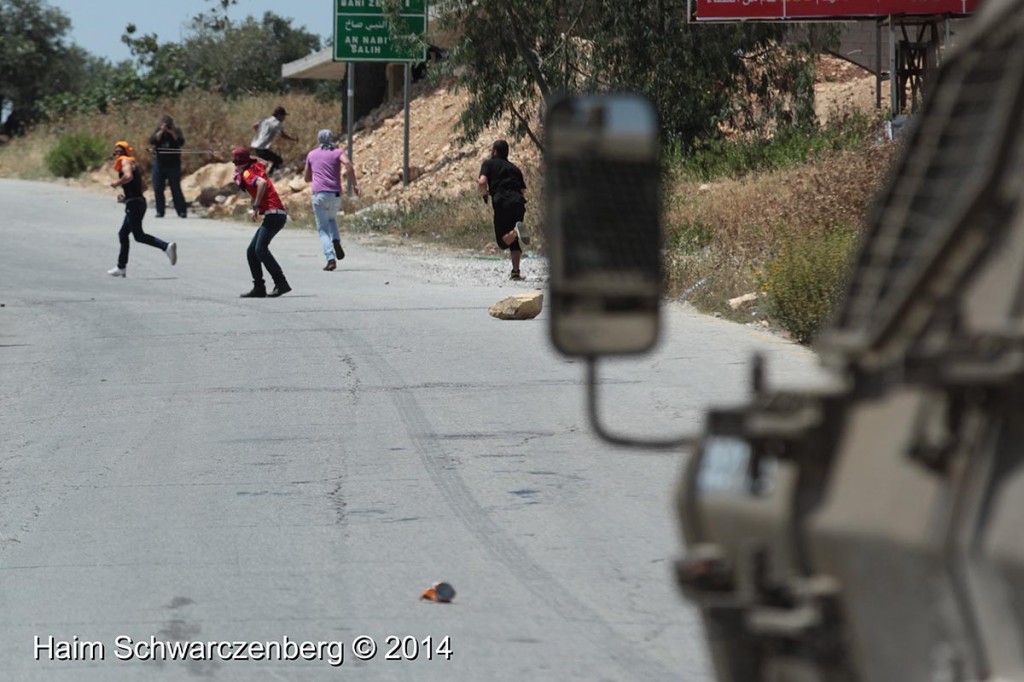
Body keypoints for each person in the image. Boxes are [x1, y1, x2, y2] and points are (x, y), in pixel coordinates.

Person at [107, 140, 177, 277]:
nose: (117, 152)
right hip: (136, 203)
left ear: (124, 151)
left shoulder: (125, 162)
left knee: (138, 236)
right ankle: (121, 267)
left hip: (134, 205)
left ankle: (166, 246)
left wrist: (117, 183)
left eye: (119, 149)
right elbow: (143, 187)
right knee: (123, 234)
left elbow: (128, 176)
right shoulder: (133, 164)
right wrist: (127, 198)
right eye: (116, 149)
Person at [233, 147, 291, 298]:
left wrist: (256, 204)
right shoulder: (256, 165)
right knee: (252, 251)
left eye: (236, 162)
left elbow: (262, 183)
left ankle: (281, 283)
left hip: (274, 213)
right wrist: (249, 156)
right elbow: (264, 162)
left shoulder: (247, 172)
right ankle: (259, 287)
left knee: (260, 249)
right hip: (275, 214)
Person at [304, 129, 360, 271]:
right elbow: (348, 165)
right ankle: (336, 240)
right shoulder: (338, 152)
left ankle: (330, 258)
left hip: (319, 194)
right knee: (331, 219)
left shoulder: (312, 154)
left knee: (322, 229)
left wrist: (317, 174)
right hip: (335, 194)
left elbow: (306, 178)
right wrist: (354, 184)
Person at [478, 139, 529, 280]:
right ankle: (515, 271)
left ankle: (515, 231)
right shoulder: (515, 169)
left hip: (502, 203)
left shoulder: (488, 164)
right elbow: (523, 190)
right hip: (518, 203)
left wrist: (485, 194)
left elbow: (482, 182)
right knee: (514, 241)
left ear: (495, 151)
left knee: (502, 242)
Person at [148, 114, 188, 218]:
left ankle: (182, 211)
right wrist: (161, 131)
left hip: (173, 164)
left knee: (175, 188)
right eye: (164, 123)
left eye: (168, 124)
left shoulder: (176, 130)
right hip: (159, 163)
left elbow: (180, 142)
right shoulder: (158, 130)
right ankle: (160, 211)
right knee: (158, 188)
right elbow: (152, 141)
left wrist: (171, 132)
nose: (166, 126)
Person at [250, 106, 297, 176]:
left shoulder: (265, 120)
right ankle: (270, 176)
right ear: (279, 115)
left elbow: (254, 125)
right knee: (278, 161)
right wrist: (294, 139)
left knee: (264, 163)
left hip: (256, 146)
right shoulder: (277, 123)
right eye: (283, 116)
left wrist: (260, 133)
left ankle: (263, 176)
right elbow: (283, 136)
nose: (284, 118)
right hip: (262, 148)